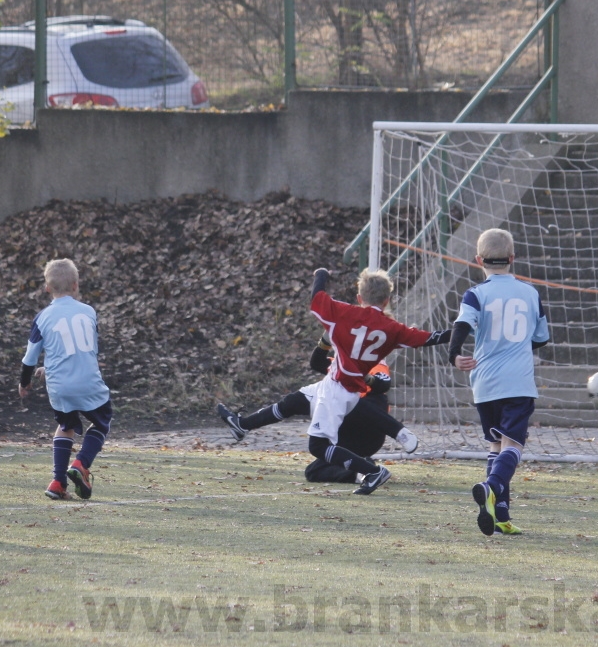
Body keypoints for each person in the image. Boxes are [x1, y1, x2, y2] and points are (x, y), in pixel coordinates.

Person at [306, 267, 447, 495]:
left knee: (324, 434)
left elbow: (317, 299)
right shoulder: (387, 331)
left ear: (359, 298)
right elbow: (428, 338)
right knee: (317, 459)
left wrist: (321, 275)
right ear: (387, 300)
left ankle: (385, 452)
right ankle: (369, 465)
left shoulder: (348, 318)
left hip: (350, 406)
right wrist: (460, 330)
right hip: (350, 410)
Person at [448, 228, 550, 536]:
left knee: (496, 445)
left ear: (479, 259)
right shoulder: (530, 293)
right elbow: (541, 339)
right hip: (517, 382)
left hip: (485, 382)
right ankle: (491, 487)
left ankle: (499, 514)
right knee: (514, 445)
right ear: (512, 259)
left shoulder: (475, 294)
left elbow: (463, 324)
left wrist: (454, 354)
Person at [216, 337, 422, 484]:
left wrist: (363, 377)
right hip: (345, 431)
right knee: (313, 469)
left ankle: (400, 432)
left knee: (351, 399)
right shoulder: (341, 367)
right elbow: (316, 362)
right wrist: (324, 340)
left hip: (367, 432)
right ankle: (363, 472)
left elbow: (382, 385)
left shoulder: (375, 362)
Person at [18, 258, 112, 501]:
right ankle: (81, 465)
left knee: (66, 426)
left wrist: (25, 382)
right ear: (75, 285)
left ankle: (58, 482)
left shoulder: (42, 317)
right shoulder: (89, 312)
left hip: (60, 388)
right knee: (101, 423)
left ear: (47, 288)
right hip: (89, 382)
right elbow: (84, 351)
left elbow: (30, 358)